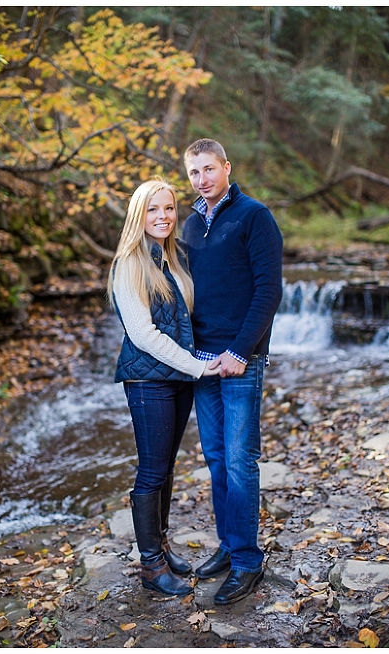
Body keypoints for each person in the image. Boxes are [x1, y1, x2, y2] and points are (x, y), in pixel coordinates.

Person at [181, 138, 284, 605]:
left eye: (208, 169)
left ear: (226, 167)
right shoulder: (188, 224)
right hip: (200, 362)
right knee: (218, 460)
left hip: (239, 361)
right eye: (193, 173)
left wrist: (241, 352)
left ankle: (247, 561)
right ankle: (229, 545)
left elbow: (269, 290)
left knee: (241, 463)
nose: (201, 179)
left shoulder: (254, 216)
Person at [108, 178, 219, 596]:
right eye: (154, 209)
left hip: (176, 380)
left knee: (167, 468)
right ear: (139, 215)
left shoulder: (173, 259)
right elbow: (143, 334)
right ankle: (151, 567)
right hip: (147, 381)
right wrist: (197, 366)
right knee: (151, 471)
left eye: (169, 208)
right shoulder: (130, 263)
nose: (163, 217)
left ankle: (162, 544)